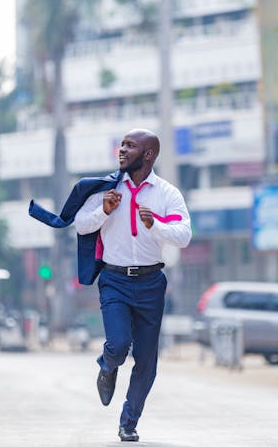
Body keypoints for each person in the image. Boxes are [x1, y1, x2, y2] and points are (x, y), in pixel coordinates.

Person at [75, 128, 192, 442]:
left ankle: (129, 422)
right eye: (122, 145)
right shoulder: (107, 188)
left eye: (130, 146)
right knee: (117, 344)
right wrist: (105, 210)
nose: (122, 150)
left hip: (151, 282)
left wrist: (156, 224)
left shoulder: (167, 194)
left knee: (147, 361)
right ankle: (107, 366)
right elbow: (81, 224)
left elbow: (184, 235)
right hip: (114, 280)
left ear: (149, 155)